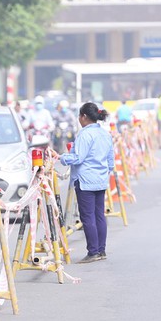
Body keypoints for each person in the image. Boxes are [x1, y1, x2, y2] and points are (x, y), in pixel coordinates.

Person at [51, 102, 114, 263]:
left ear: (84, 117)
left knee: (88, 217)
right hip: (100, 180)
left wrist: (61, 157)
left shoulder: (85, 135)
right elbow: (111, 162)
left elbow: (77, 157)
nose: (79, 119)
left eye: (80, 116)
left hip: (85, 181)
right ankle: (101, 250)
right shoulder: (105, 134)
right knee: (99, 215)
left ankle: (93, 251)